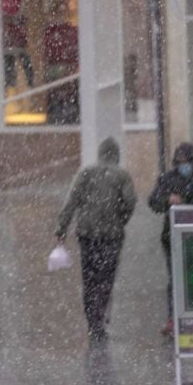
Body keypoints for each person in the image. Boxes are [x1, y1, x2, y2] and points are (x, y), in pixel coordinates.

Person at [55, 137, 137, 340]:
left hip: (87, 234)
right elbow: (130, 202)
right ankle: (100, 317)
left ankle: (92, 322)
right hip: (112, 236)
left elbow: (71, 201)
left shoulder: (85, 173)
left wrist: (61, 228)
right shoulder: (122, 175)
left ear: (100, 154)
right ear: (116, 155)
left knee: (89, 278)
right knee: (106, 278)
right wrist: (120, 220)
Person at [148, 143, 193, 335]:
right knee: (176, 279)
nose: (183, 165)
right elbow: (153, 201)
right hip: (173, 239)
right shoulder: (167, 180)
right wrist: (167, 200)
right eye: (180, 162)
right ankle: (174, 317)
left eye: (186, 162)